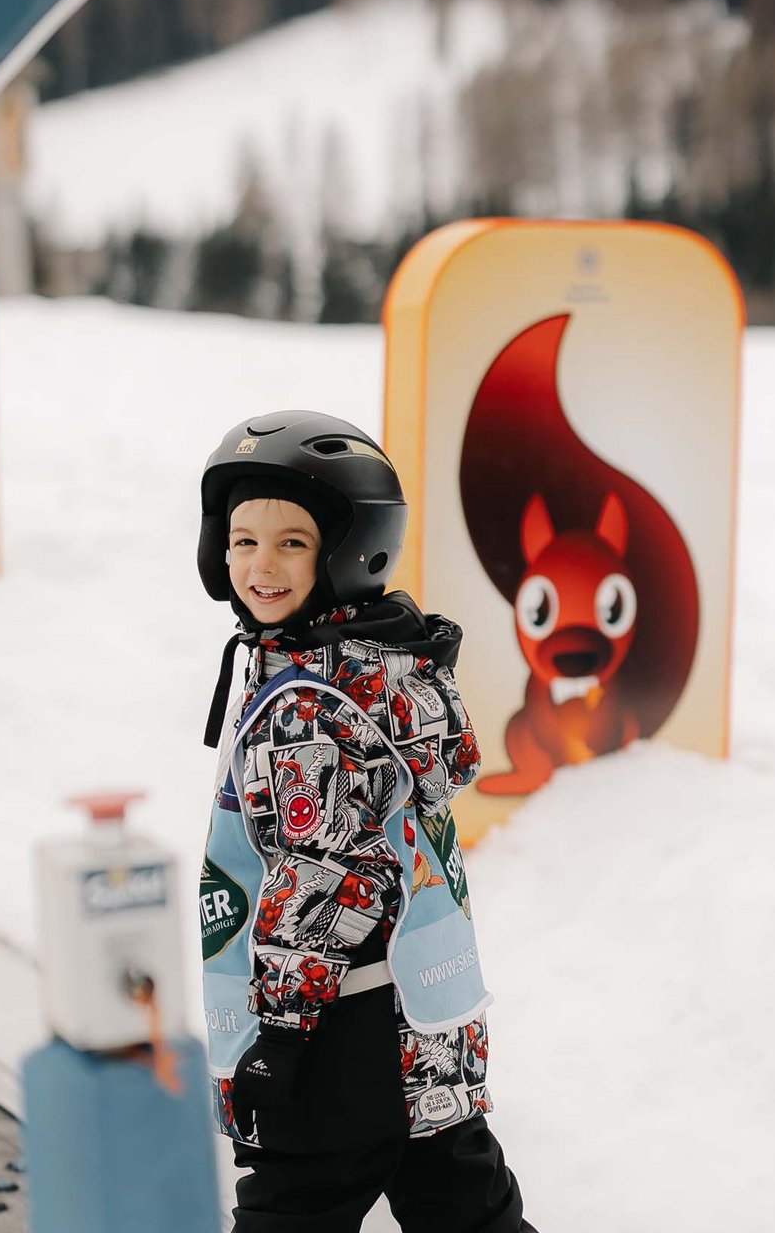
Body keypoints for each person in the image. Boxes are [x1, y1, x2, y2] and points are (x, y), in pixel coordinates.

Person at [197, 411, 533, 1233]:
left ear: (348, 554)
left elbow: (326, 875)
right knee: (464, 1208)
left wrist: (278, 1035)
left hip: (331, 1027)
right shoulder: (383, 665)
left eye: (291, 543)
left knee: (292, 1211)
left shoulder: (307, 703)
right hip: (426, 1019)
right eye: (242, 540)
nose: (259, 566)